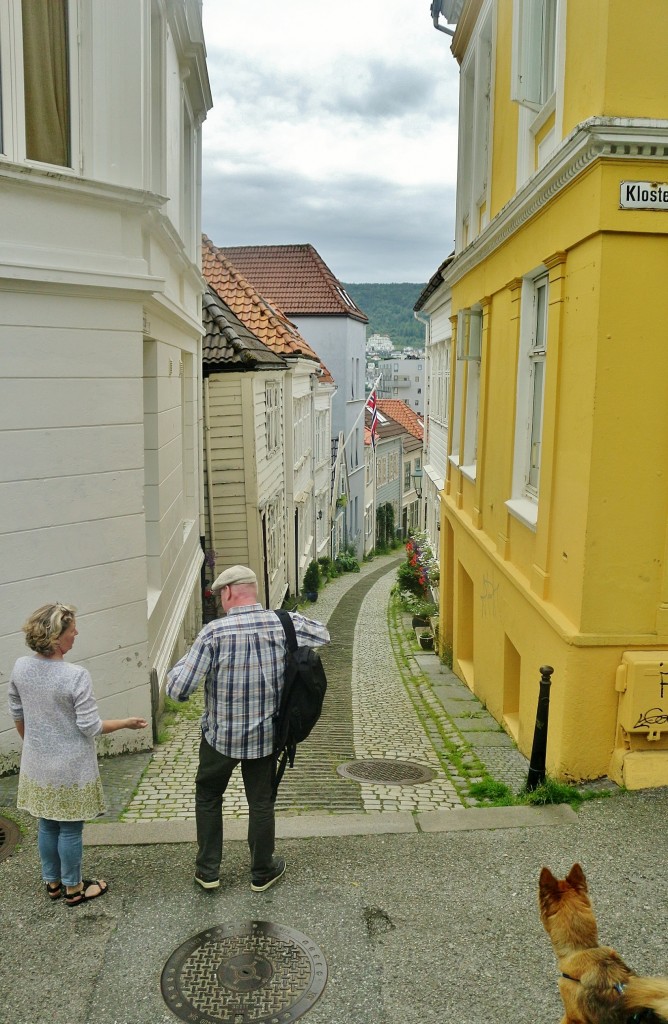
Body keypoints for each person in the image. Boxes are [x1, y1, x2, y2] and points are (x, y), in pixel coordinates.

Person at [167, 565, 330, 892]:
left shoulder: (214, 633)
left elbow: (178, 690)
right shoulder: (284, 623)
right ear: (253, 591)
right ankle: (262, 872)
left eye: (219, 595)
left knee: (209, 795)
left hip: (220, 739)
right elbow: (323, 635)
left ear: (228, 593)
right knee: (261, 802)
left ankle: (208, 871)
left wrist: (184, 664)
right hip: (266, 736)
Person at [7, 603, 147, 907]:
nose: (77, 633)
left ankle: (53, 884)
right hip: (70, 767)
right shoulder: (75, 676)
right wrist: (125, 722)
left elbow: (17, 713)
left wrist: (34, 744)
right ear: (57, 636)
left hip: (37, 763)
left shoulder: (20, 667)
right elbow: (90, 727)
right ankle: (74, 889)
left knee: (46, 823)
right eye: (73, 630)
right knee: (70, 828)